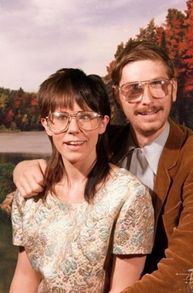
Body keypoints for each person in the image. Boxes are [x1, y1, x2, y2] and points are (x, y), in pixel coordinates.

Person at [5, 41, 193, 292]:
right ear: (118, 96)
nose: (147, 100)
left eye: (158, 85)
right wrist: (24, 168)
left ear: (173, 90)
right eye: (133, 89)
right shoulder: (105, 139)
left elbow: (185, 271)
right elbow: (67, 161)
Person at [8, 68, 155, 293]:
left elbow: (123, 289)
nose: (73, 129)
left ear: (103, 124)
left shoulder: (128, 196)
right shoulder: (30, 194)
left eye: (85, 116)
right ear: (46, 124)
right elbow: (26, 277)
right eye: (61, 118)